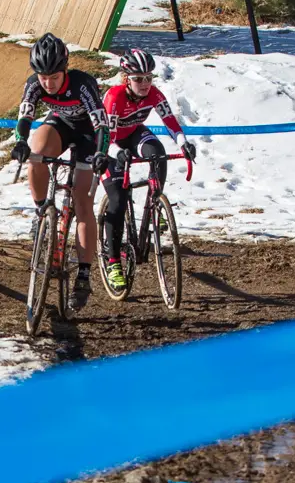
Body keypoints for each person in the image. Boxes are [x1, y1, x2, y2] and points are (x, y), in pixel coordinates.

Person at [11, 33, 109, 312]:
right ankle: (42, 210)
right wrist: (20, 141)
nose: (48, 83)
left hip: (89, 134)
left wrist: (101, 152)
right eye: (43, 77)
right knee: (35, 152)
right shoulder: (34, 85)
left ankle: (84, 275)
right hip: (61, 124)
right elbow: (26, 116)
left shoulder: (82, 85)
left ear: (65, 70)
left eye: (54, 77)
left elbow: (102, 126)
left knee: (82, 201)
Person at [100, 48, 197, 289]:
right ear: (126, 79)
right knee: (118, 198)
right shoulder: (114, 97)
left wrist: (184, 143)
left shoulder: (153, 94)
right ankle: (113, 262)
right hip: (107, 145)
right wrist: (115, 154)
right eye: (138, 79)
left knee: (158, 154)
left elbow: (171, 121)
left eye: (148, 78)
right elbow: (107, 138)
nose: (145, 84)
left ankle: (155, 205)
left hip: (133, 134)